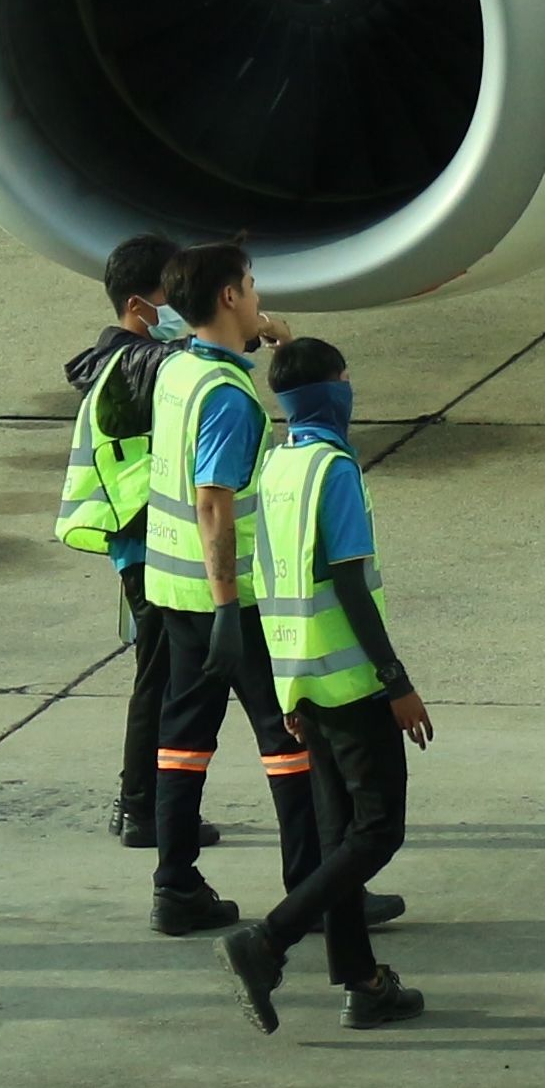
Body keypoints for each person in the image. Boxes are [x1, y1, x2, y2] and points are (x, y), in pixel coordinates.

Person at [222, 338, 431, 1033]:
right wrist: (395, 679)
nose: (351, 388)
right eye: (346, 378)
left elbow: (268, 581)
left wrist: (286, 693)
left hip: (300, 677)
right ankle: (267, 941)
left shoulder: (279, 466)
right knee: (376, 832)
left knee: (343, 836)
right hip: (350, 682)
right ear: (330, 394)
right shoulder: (334, 470)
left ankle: (363, 983)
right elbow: (347, 581)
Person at [142, 242, 321, 936]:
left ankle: (175, 883)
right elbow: (213, 500)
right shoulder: (228, 398)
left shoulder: (179, 368)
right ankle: (312, 889)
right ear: (226, 297)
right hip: (230, 603)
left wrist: (276, 341)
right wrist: (226, 606)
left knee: (183, 739)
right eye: (250, 285)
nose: (256, 296)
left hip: (173, 589)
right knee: (290, 740)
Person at [55, 234, 210, 856]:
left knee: (159, 676)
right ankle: (141, 807)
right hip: (152, 545)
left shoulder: (117, 360)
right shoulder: (134, 363)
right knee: (163, 680)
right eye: (174, 294)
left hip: (139, 543)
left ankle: (138, 803)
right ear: (142, 304)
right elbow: (185, 363)